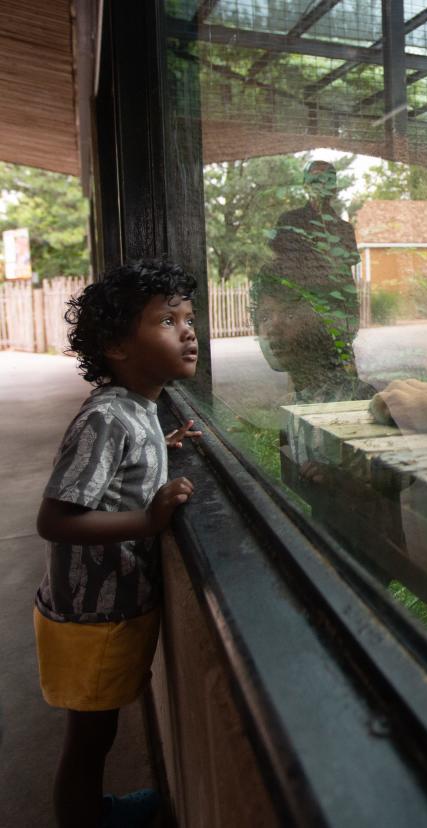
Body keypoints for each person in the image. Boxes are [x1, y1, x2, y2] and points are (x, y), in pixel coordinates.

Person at [34, 260, 201, 828]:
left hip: (106, 613)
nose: (188, 330)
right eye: (166, 320)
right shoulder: (107, 416)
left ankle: (96, 811)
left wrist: (164, 445)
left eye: (189, 317)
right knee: (89, 742)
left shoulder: (139, 407)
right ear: (116, 345)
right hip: (92, 617)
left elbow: (121, 471)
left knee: (95, 733)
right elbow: (55, 519)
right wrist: (148, 520)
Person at [258, 158, 368, 401]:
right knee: (304, 384)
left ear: (335, 186)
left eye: (329, 180)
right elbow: (282, 269)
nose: (322, 185)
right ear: (306, 184)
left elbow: (346, 277)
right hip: (301, 314)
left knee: (347, 385)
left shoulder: (343, 228)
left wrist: (351, 316)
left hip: (337, 317)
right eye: (316, 179)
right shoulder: (290, 221)